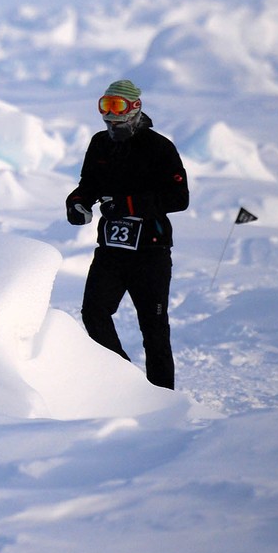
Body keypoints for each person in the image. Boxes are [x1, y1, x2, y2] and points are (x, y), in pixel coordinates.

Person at [65, 79, 189, 389]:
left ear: (135, 107)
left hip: (151, 252)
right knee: (94, 314)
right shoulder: (99, 144)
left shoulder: (159, 147)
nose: (110, 115)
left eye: (117, 106)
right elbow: (89, 185)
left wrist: (129, 204)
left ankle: (162, 397)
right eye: (105, 106)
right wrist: (77, 202)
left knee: (154, 329)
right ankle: (127, 385)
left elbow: (178, 198)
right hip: (111, 250)